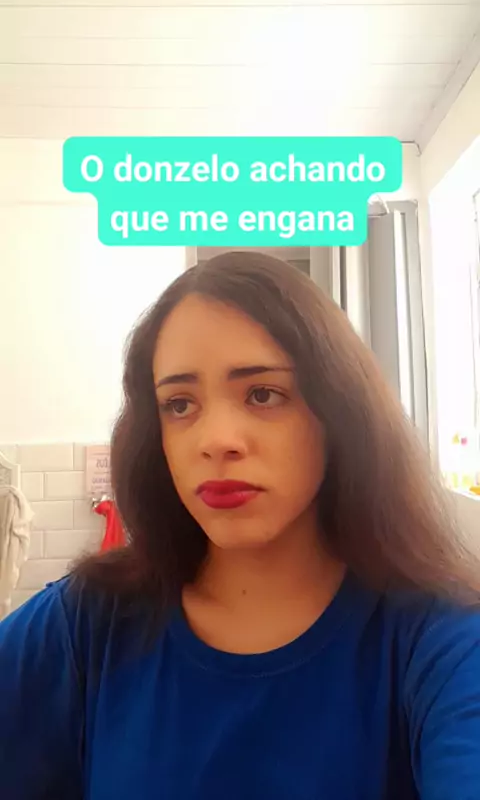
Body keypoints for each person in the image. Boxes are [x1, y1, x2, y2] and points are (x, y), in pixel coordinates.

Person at [0, 250, 479, 800]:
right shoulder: (89, 620)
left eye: (263, 394)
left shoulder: (440, 643)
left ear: (340, 413)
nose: (215, 440)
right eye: (179, 404)